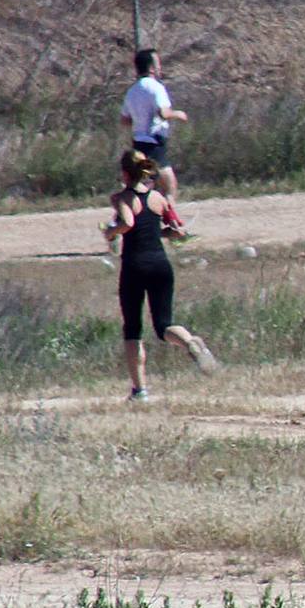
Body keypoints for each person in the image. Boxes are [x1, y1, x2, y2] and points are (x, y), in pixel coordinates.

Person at [103, 150, 219, 402]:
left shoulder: (121, 198)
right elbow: (174, 232)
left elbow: (127, 223)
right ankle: (189, 342)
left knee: (133, 329)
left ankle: (140, 391)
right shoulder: (158, 199)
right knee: (164, 324)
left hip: (135, 267)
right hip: (160, 264)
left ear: (124, 174)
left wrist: (111, 231)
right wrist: (169, 234)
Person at [120, 49, 189, 232]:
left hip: (139, 144)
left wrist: (140, 119)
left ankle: (121, 224)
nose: (160, 68)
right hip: (154, 145)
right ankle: (172, 226)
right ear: (151, 67)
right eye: (158, 64)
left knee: (143, 188)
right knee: (168, 185)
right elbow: (163, 113)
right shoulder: (156, 87)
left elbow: (125, 120)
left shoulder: (132, 91)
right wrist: (179, 114)